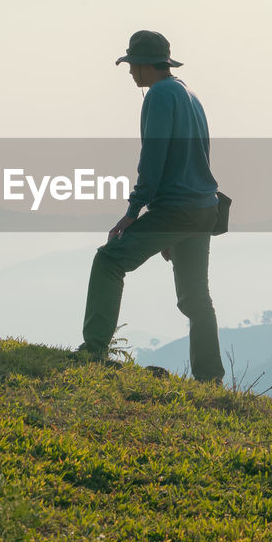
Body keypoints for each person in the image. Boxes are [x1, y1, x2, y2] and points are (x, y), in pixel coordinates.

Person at [78, 30, 225, 382]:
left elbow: (153, 159)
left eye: (131, 66)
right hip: (204, 207)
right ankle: (211, 379)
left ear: (144, 66)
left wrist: (134, 212)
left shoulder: (159, 95)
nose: (130, 73)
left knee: (109, 259)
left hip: (177, 208)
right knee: (195, 297)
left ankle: (94, 350)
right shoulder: (188, 93)